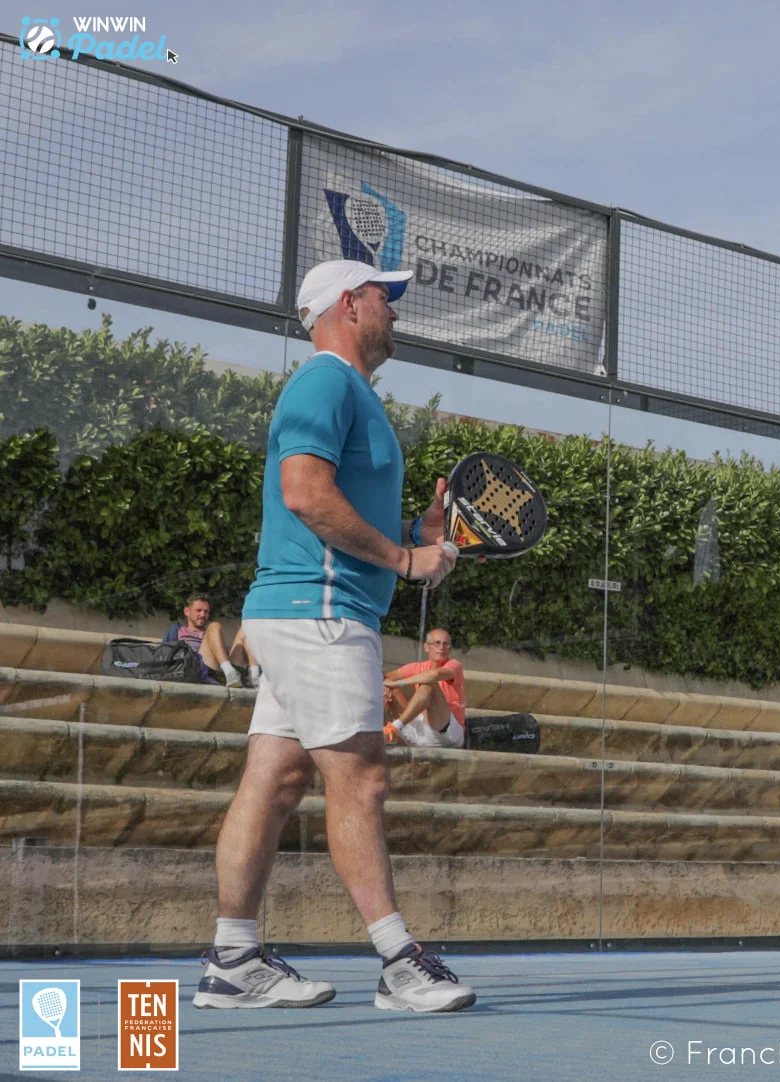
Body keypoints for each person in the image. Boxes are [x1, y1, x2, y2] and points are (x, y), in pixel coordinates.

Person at [195, 259, 476, 1014]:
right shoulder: (325, 381)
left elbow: (335, 505)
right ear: (349, 305)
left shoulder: (351, 395)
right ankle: (398, 961)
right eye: (387, 297)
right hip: (320, 614)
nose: (396, 310)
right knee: (363, 777)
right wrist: (403, 559)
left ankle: (231, 960)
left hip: (303, 611)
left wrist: (413, 536)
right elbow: (305, 494)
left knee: (278, 779)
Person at [383, 628, 467, 749]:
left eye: (446, 644)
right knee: (387, 685)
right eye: (437, 643)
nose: (442, 647)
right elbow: (385, 676)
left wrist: (399, 683)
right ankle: (375, 730)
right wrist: (387, 685)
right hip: (419, 732)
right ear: (426, 647)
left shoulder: (454, 665)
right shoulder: (416, 667)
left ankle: (395, 727)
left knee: (429, 684)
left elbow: (435, 675)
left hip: (448, 734)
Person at [165, 594, 259, 688]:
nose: (203, 615)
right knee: (214, 625)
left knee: (246, 628)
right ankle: (230, 672)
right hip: (195, 668)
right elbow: (165, 655)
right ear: (187, 611)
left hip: (220, 668)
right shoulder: (177, 630)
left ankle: (254, 676)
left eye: (206, 611)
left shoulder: (212, 633)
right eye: (198, 610)